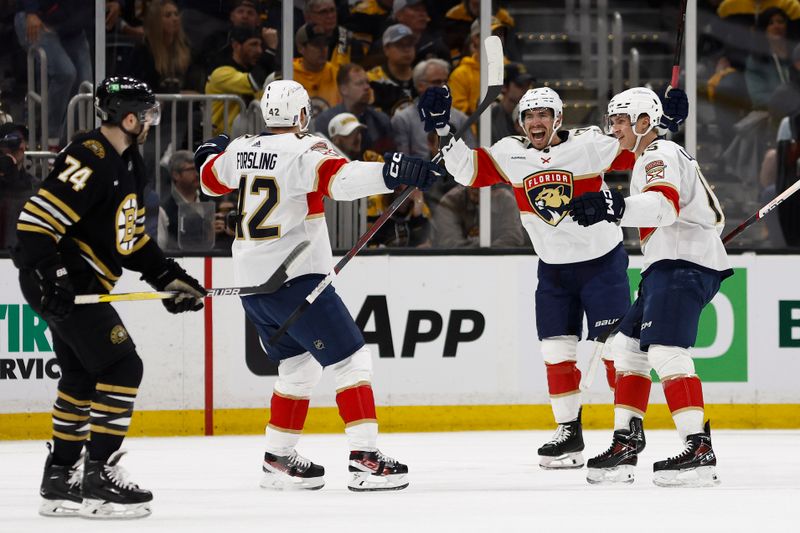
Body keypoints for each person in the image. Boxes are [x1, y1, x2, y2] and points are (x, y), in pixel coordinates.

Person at [420, 83, 689, 470]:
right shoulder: (509, 153)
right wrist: (444, 130)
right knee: (555, 351)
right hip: (553, 270)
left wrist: (667, 123)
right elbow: (468, 171)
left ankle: (627, 431)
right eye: (529, 115)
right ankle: (569, 433)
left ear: (558, 118)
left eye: (543, 113)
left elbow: (639, 146)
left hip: (602, 264)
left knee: (617, 352)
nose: (535, 121)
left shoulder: (590, 144)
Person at [195, 79, 441, 491]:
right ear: (304, 114)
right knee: (351, 361)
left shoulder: (240, 148)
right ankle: (364, 457)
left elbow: (208, 180)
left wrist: (211, 153)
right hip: (296, 279)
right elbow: (340, 182)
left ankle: (277, 458)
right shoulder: (307, 148)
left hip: (254, 289)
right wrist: (391, 171)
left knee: (297, 367)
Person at [13, 76, 207, 519]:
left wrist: (169, 278)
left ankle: (60, 477)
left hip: (74, 283)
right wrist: (56, 277)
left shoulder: (131, 163)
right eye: (149, 113)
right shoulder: (90, 156)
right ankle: (98, 479)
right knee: (123, 364)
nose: (153, 122)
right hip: (58, 280)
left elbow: (132, 239)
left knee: (81, 376)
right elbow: (33, 224)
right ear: (130, 117)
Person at [571, 87, 731, 487]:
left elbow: (663, 206)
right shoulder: (653, 154)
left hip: (681, 265)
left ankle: (698, 448)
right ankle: (626, 441)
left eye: (622, 120)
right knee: (625, 349)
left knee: (666, 351)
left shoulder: (658, 154)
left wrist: (613, 206)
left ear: (645, 122)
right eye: (613, 120)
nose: (615, 128)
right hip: (668, 264)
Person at [14, 1, 94, 148]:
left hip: (72, 26)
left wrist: (118, 3)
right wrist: (31, 11)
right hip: (37, 17)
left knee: (85, 84)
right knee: (65, 72)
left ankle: (70, 142)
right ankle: (50, 140)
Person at [392, 58, 476, 158]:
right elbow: (402, 162)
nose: (443, 86)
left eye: (445, 81)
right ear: (420, 85)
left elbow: (471, 158)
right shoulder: (402, 119)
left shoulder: (461, 119)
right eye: (436, 82)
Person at [313, 63, 395, 155]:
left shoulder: (381, 120)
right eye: (359, 83)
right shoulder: (326, 121)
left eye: (367, 82)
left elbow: (390, 158)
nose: (367, 87)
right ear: (343, 89)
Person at [205, 25, 270, 134]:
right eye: (253, 44)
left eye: (260, 45)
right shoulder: (221, 72)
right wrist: (271, 51)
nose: (259, 50)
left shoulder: (253, 70)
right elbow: (253, 83)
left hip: (251, 139)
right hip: (222, 140)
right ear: (236, 45)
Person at [433, 184, 526, 248]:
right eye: (472, 184)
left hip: (499, 264)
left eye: (482, 184)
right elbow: (450, 242)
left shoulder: (505, 200)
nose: (476, 188)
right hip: (460, 265)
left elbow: (513, 237)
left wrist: (488, 254)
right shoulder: (450, 202)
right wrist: (481, 254)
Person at [158, 150, 204, 250]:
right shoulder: (165, 209)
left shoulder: (211, 202)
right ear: (176, 175)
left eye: (198, 168)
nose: (197, 174)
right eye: (191, 169)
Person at [367, 24, 417, 115]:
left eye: (410, 44)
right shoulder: (372, 80)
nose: (407, 50)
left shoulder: (422, 77)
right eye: (400, 45)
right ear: (386, 49)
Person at [293, 24, 341, 114]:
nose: (323, 49)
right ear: (301, 48)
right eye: (316, 44)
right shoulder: (287, 74)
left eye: (325, 44)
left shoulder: (338, 74)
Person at [492, 63, 534, 143]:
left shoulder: (532, 114)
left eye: (528, 85)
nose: (526, 90)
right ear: (504, 86)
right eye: (520, 85)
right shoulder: (492, 116)